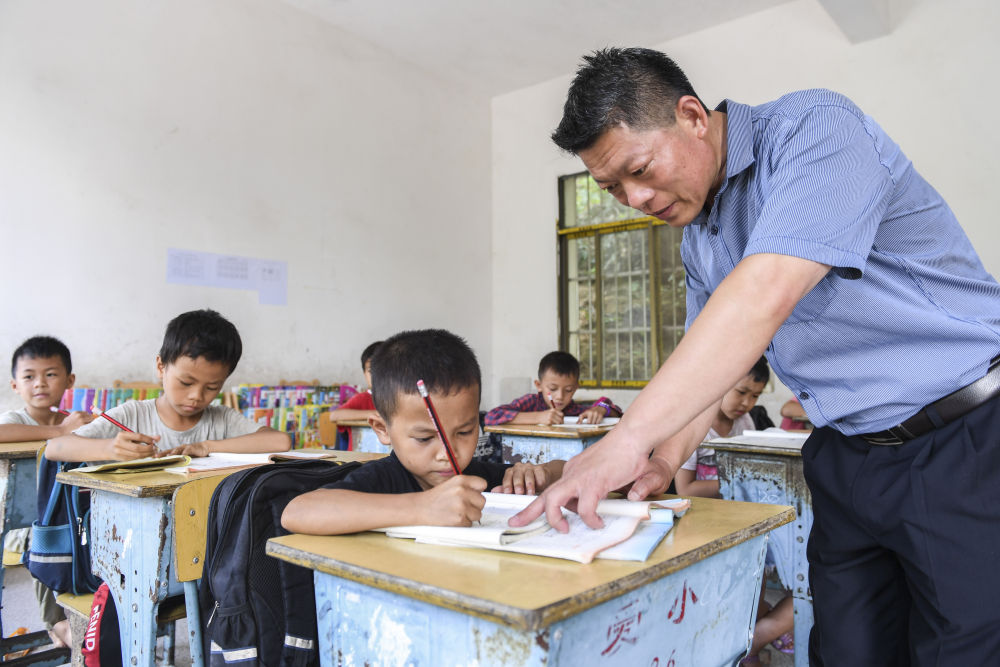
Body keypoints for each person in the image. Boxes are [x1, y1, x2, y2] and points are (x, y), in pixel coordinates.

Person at [512, 47, 1000, 666]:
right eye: (611, 188)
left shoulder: (813, 130)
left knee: (967, 651)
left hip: (962, 439)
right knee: (846, 652)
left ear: (692, 116)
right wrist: (661, 458)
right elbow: (710, 371)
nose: (634, 198)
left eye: (639, 169)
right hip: (848, 456)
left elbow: (762, 295)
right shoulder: (700, 238)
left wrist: (622, 441)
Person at [282, 329, 563, 535]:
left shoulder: (476, 476)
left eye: (465, 432)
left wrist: (540, 473)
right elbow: (298, 512)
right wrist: (422, 507)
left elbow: (566, 468)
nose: (447, 454)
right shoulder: (384, 479)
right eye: (424, 438)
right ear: (382, 430)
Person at [46, 309, 290, 462]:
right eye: (186, 382)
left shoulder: (222, 420)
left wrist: (206, 446)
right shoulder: (133, 415)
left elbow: (280, 442)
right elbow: (55, 448)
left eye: (212, 387)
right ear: (161, 367)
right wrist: (110, 448)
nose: (196, 396)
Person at [0, 336, 95, 648]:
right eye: (29, 376)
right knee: (45, 539)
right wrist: (60, 431)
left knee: (87, 536)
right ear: (15, 385)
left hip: (68, 518)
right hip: (21, 528)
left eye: (51, 374)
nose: (40, 383)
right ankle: (56, 624)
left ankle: (90, 612)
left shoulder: (76, 420)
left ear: (70, 380)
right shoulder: (15, 421)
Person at [674, 356, 768, 498]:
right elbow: (685, 491)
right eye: (741, 392)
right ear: (718, 385)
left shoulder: (745, 421)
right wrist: (742, 483)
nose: (746, 403)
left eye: (755, 396)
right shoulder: (691, 427)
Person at [483, 351, 622, 426]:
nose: (560, 396)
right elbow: (491, 417)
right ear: (539, 386)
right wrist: (538, 417)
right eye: (553, 388)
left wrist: (601, 409)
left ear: (576, 388)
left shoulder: (574, 411)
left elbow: (617, 412)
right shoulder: (531, 403)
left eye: (568, 390)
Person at [329, 340, 381, 448]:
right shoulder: (362, 398)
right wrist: (374, 414)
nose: (376, 375)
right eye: (371, 370)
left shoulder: (400, 399)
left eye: (381, 369)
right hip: (359, 456)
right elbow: (334, 416)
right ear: (364, 374)